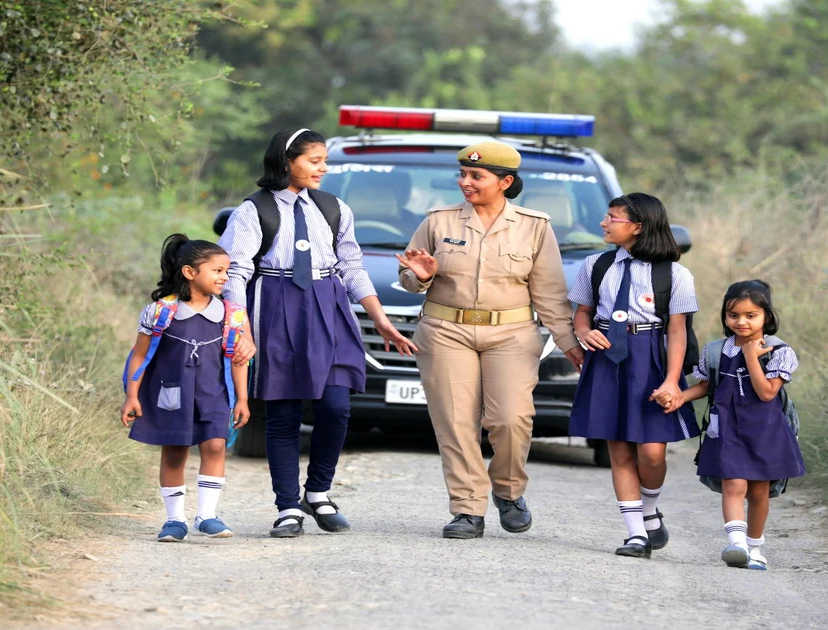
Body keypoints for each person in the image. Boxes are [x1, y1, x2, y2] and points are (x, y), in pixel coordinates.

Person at [218, 128, 417, 538]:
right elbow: (235, 272)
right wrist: (241, 329)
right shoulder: (253, 211)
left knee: (336, 406)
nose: (323, 168)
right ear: (285, 161)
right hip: (276, 304)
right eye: (314, 160)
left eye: (324, 160)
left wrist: (379, 318)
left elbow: (352, 266)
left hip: (329, 305)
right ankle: (287, 506)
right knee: (284, 413)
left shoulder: (334, 208)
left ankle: (318, 491)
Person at [397, 141, 584, 539]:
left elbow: (550, 295)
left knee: (511, 419)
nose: (465, 182)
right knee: (455, 422)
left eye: (476, 176)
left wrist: (570, 344)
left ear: (505, 182)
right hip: (446, 331)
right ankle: (467, 509)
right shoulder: (438, 221)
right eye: (463, 174)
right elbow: (409, 277)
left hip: (511, 334)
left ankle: (509, 490)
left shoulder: (535, 226)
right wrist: (421, 276)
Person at [568, 193, 699, 559]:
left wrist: (672, 381)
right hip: (608, 358)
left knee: (652, 452)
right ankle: (636, 535)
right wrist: (583, 331)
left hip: (651, 358)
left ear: (638, 227)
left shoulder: (674, 274)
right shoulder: (595, 265)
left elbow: (678, 331)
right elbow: (582, 313)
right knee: (619, 447)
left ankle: (649, 509)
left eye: (612, 217)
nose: (604, 223)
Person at [654, 279, 805, 570]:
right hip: (726, 428)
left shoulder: (779, 351)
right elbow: (706, 386)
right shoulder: (715, 351)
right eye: (733, 315)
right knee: (733, 484)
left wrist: (750, 357)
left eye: (751, 315)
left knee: (759, 491)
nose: (741, 322)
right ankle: (737, 544)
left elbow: (767, 392)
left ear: (767, 317)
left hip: (765, 432)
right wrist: (680, 397)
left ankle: (755, 548)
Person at [120, 235, 250, 542]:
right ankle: (174, 520)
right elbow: (139, 355)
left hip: (214, 392)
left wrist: (242, 399)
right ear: (190, 272)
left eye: (226, 271)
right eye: (217, 270)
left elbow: (238, 360)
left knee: (215, 446)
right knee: (175, 452)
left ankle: (207, 515)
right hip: (171, 393)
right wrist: (132, 395)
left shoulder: (232, 315)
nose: (225, 277)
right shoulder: (160, 312)